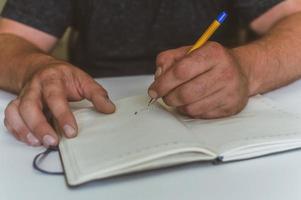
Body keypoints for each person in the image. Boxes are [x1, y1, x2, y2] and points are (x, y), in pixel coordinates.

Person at [0, 0, 301, 148]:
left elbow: (295, 19)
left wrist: (246, 69)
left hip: (218, 125)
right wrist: (36, 67)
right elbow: (9, 39)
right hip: (95, 114)